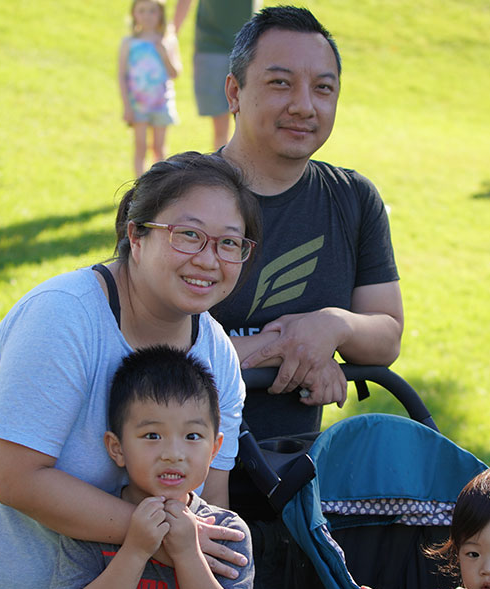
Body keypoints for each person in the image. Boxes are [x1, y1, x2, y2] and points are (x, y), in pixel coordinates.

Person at [0, 152, 261, 589]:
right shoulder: (64, 317)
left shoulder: (217, 355)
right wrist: (158, 538)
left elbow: (209, 501)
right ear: (136, 236)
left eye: (230, 243)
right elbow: (16, 479)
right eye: (188, 235)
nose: (209, 259)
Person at [211, 6, 404, 441]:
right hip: (175, 473)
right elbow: (146, 345)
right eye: (280, 83)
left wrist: (333, 325)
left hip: (293, 476)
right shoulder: (177, 195)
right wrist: (294, 351)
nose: (304, 105)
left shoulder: (353, 198)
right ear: (234, 92)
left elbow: (386, 335)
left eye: (323, 88)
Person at [48, 346, 255, 589]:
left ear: (215, 447)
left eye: (192, 435)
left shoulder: (226, 531)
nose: (173, 453)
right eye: (152, 435)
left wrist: (188, 553)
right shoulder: (91, 522)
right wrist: (134, 549)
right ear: (117, 448)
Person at [172, 0, 261, 150]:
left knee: (250, 123)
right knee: (221, 128)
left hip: (248, 46)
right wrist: (171, 34)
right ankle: (224, 171)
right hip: (211, 46)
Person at [119, 0, 182, 179]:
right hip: (138, 104)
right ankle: (139, 187)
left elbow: (175, 72)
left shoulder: (168, 40)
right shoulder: (129, 43)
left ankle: (159, 185)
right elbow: (122, 75)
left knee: (159, 147)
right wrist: (126, 106)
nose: (147, 16)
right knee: (140, 146)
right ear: (134, 14)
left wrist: (163, 54)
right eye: (142, 11)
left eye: (152, 11)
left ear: (160, 13)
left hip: (161, 102)